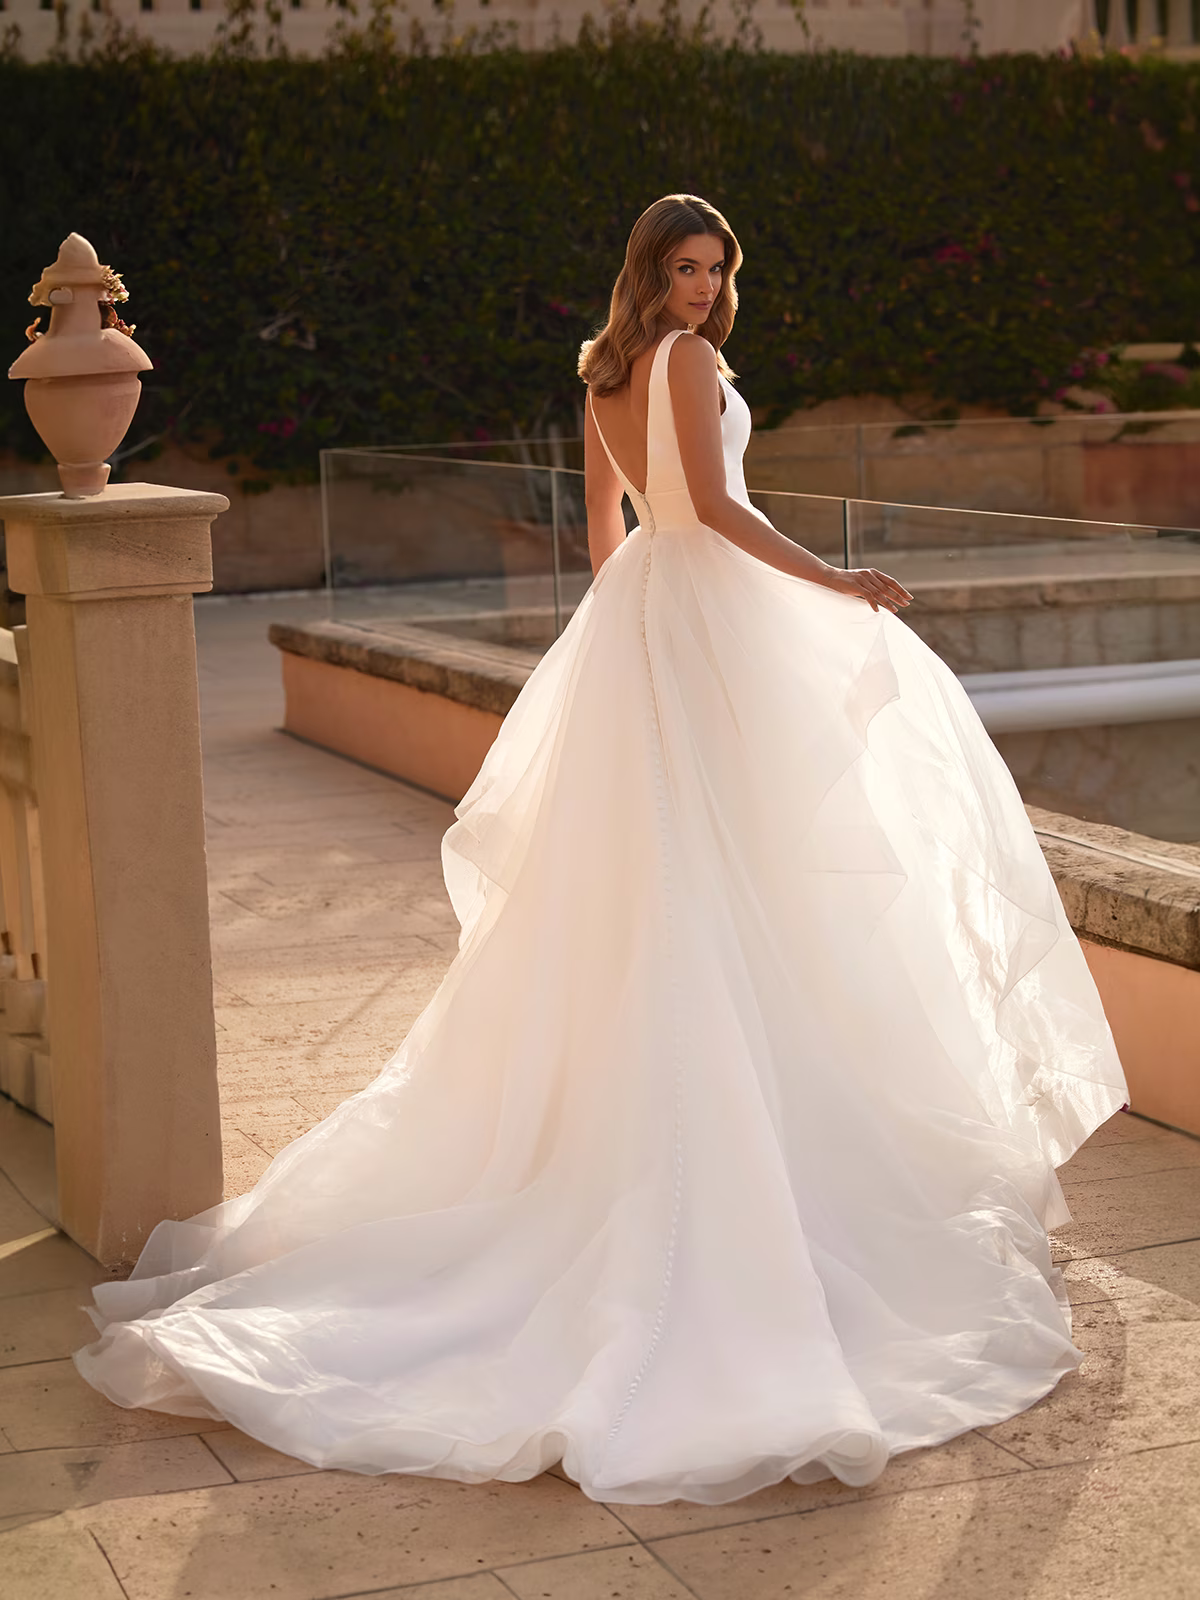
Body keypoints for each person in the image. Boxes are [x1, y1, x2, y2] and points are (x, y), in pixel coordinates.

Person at [75, 193, 1127, 1507]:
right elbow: (718, 515)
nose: (703, 287)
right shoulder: (682, 364)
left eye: (716, 267)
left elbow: (605, 536)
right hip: (701, 607)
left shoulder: (608, 371)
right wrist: (836, 585)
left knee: (682, 888)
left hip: (647, 617)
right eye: (686, 268)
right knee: (733, 877)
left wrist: (637, 632)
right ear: (652, 274)